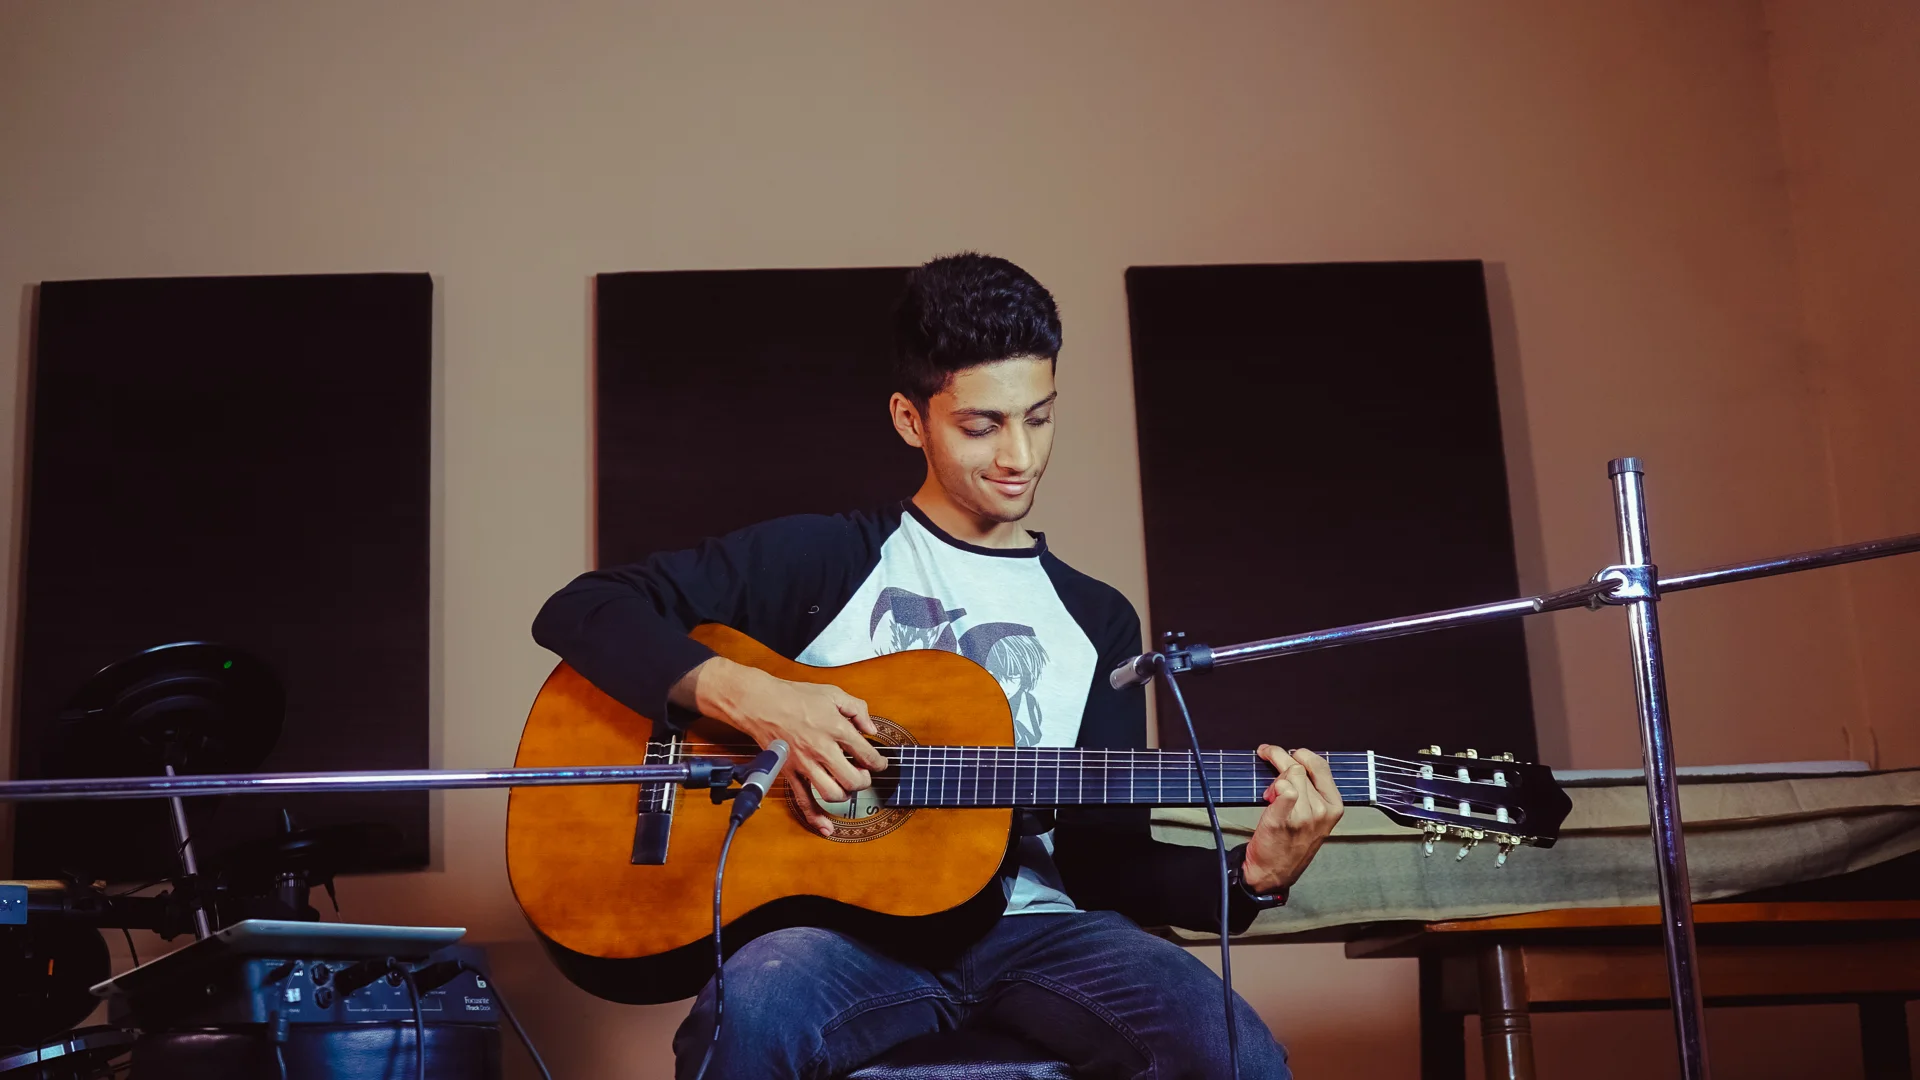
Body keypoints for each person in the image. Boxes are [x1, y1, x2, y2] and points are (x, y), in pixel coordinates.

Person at [532, 253, 1344, 1079]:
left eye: (1040, 416)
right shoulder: (824, 561)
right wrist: (763, 702)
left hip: (1039, 933)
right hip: (839, 937)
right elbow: (581, 608)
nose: (1019, 455)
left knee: (1238, 1056)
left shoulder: (1099, 619)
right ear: (910, 419)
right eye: (982, 425)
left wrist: (1251, 878)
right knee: (751, 1013)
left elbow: (1106, 861)